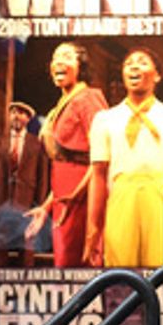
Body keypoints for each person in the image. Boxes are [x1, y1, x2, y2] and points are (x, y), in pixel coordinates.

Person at [86, 48, 163, 267]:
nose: (134, 66)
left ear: (156, 75)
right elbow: (98, 176)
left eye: (142, 62)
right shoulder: (105, 119)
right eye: (129, 64)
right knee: (121, 270)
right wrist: (93, 228)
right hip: (122, 197)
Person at [26, 41, 107, 267]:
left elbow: (102, 156)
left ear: (81, 66)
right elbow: (63, 162)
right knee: (65, 263)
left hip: (83, 198)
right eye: (55, 57)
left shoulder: (88, 98)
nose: (59, 62)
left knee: (80, 265)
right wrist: (46, 207)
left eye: (67, 57)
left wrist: (76, 195)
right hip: (64, 197)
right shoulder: (62, 104)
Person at [0, 101, 49, 264]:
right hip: (2, 202)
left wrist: (40, 205)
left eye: (22, 113)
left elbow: (42, 177)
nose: (17, 116)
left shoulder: (37, 144)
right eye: (14, 112)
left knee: (27, 246)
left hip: (27, 203)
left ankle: (25, 281)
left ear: (29, 118)